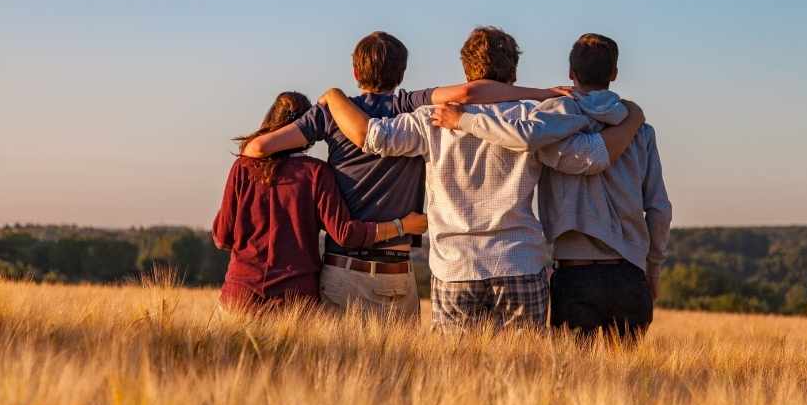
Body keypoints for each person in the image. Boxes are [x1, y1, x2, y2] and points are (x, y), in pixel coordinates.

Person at [317, 27, 645, 330]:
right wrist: (631, 119)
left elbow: (372, 137)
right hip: (519, 262)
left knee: (456, 378)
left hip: (454, 267)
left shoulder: (430, 119)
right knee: (523, 375)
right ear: (513, 72)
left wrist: (333, 96)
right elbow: (589, 157)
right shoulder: (534, 117)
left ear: (466, 70)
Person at [239, 31, 573, 318]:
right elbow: (471, 94)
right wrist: (542, 94)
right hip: (404, 271)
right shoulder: (410, 105)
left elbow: (257, 149)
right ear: (402, 72)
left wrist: (328, 106)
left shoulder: (332, 113)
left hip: (347, 269)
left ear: (355, 71)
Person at [433, 33, 672, 342]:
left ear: (571, 73)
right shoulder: (641, 131)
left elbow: (524, 138)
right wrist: (652, 269)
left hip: (574, 273)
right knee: (629, 383)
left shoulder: (550, 122)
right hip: (630, 272)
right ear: (614, 74)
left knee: (570, 380)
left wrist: (465, 121)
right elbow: (659, 209)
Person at [212, 91, 427, 314]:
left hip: (240, 295)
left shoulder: (243, 167)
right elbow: (345, 233)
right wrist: (402, 226)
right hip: (295, 300)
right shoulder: (316, 173)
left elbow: (222, 236)